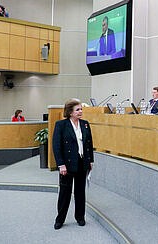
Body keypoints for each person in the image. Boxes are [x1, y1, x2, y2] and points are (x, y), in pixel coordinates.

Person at [52, 98, 94, 230]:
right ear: (70, 112)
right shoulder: (61, 125)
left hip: (82, 162)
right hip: (67, 164)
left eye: (81, 109)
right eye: (78, 109)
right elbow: (56, 146)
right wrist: (61, 165)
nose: (81, 111)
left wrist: (90, 160)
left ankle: (80, 217)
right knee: (65, 193)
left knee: (80, 192)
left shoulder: (85, 124)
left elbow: (89, 144)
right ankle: (60, 219)